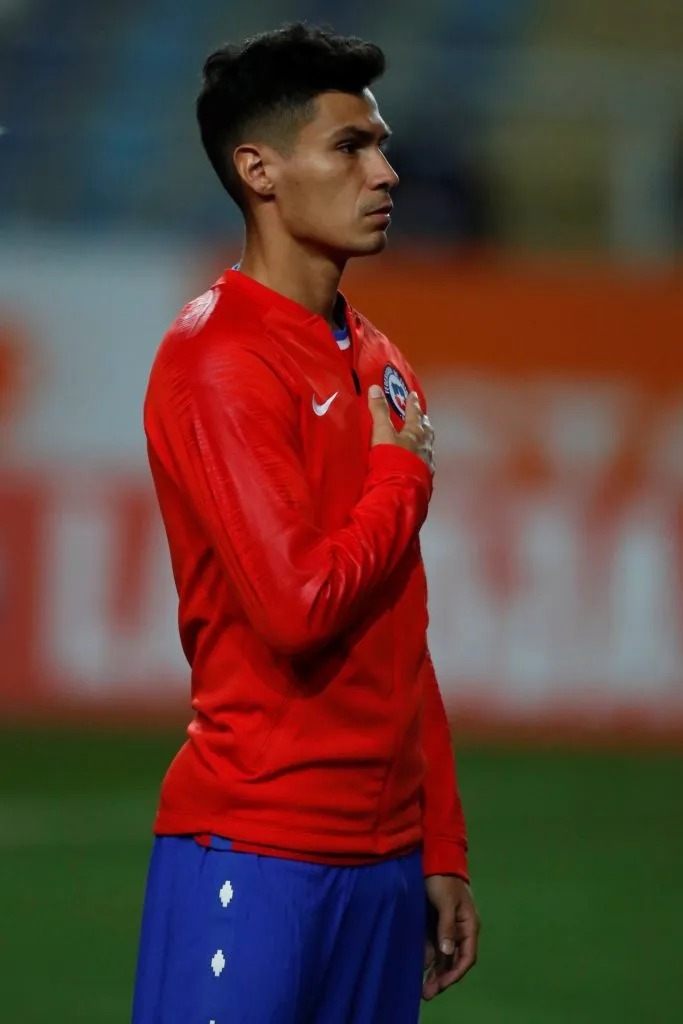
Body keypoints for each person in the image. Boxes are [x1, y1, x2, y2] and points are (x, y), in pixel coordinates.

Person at [133, 22, 480, 1024]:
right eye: (350, 146)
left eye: (380, 143)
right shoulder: (218, 360)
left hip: (381, 861)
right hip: (254, 849)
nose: (387, 171)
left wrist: (438, 843)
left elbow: (396, 629)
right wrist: (397, 480)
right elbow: (297, 605)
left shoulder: (381, 358)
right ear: (259, 170)